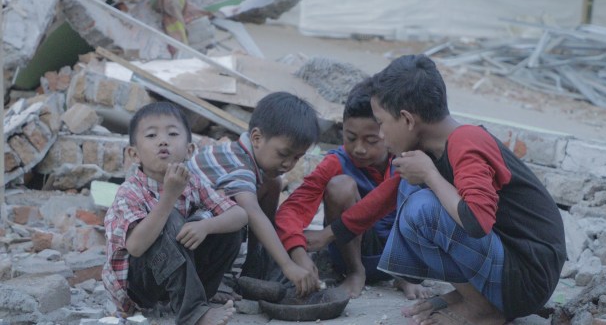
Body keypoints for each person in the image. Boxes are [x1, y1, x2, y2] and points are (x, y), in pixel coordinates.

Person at [308, 55, 567, 324]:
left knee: (422, 208)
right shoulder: (430, 150)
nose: (382, 135)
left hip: (528, 277)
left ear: (407, 119)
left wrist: (431, 176)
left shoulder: (467, 142)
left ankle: (483, 308)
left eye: (382, 123)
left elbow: (477, 222)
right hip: (510, 265)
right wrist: (329, 234)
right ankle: (472, 296)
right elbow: (385, 198)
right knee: (411, 190)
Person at [275, 79, 430, 300]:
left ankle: (405, 275)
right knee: (340, 186)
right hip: (360, 253)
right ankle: (356, 272)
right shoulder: (336, 161)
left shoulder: (407, 157)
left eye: (370, 140)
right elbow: (291, 210)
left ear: (388, 131)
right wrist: (298, 253)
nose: (359, 149)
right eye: (351, 138)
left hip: (406, 256)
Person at [103, 102, 249, 325]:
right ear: (134, 154)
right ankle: (193, 313)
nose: (163, 141)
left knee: (226, 228)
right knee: (169, 218)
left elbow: (240, 215)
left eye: (172, 134)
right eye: (151, 135)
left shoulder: (194, 182)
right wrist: (169, 196)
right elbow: (135, 246)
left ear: (189, 150)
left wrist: (205, 226)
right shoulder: (129, 191)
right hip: (142, 286)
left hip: (177, 277)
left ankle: (199, 296)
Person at [188, 91, 322, 297]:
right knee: (241, 213)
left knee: (273, 182)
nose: (289, 164)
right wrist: (287, 265)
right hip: (188, 234)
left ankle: (256, 260)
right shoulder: (237, 163)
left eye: (297, 157)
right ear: (257, 138)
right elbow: (251, 212)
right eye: (283, 154)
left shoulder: (245, 155)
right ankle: (209, 284)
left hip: (205, 219)